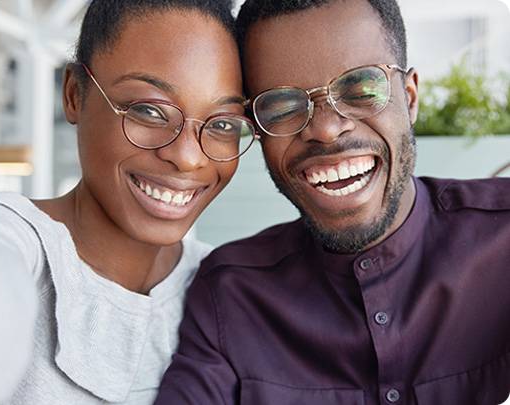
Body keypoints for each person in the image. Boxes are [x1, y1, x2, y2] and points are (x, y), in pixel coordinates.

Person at [156, 0, 510, 404]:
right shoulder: (230, 297)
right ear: (258, 132)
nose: (324, 130)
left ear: (409, 98)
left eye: (360, 89)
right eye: (283, 106)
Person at [0, 0, 258, 403]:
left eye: (221, 124)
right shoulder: (12, 244)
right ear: (75, 94)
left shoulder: (228, 288)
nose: (187, 157)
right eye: (149, 110)